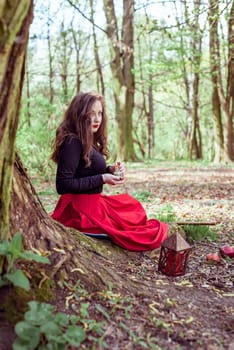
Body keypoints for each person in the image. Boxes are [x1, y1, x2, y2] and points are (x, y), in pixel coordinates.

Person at [51, 92, 168, 251]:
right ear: (79, 114)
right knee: (139, 231)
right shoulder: (72, 141)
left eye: (100, 113)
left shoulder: (88, 139)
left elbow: (84, 170)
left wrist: (110, 170)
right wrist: (102, 178)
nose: (97, 119)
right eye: (91, 114)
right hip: (80, 211)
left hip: (96, 203)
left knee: (132, 208)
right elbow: (63, 185)